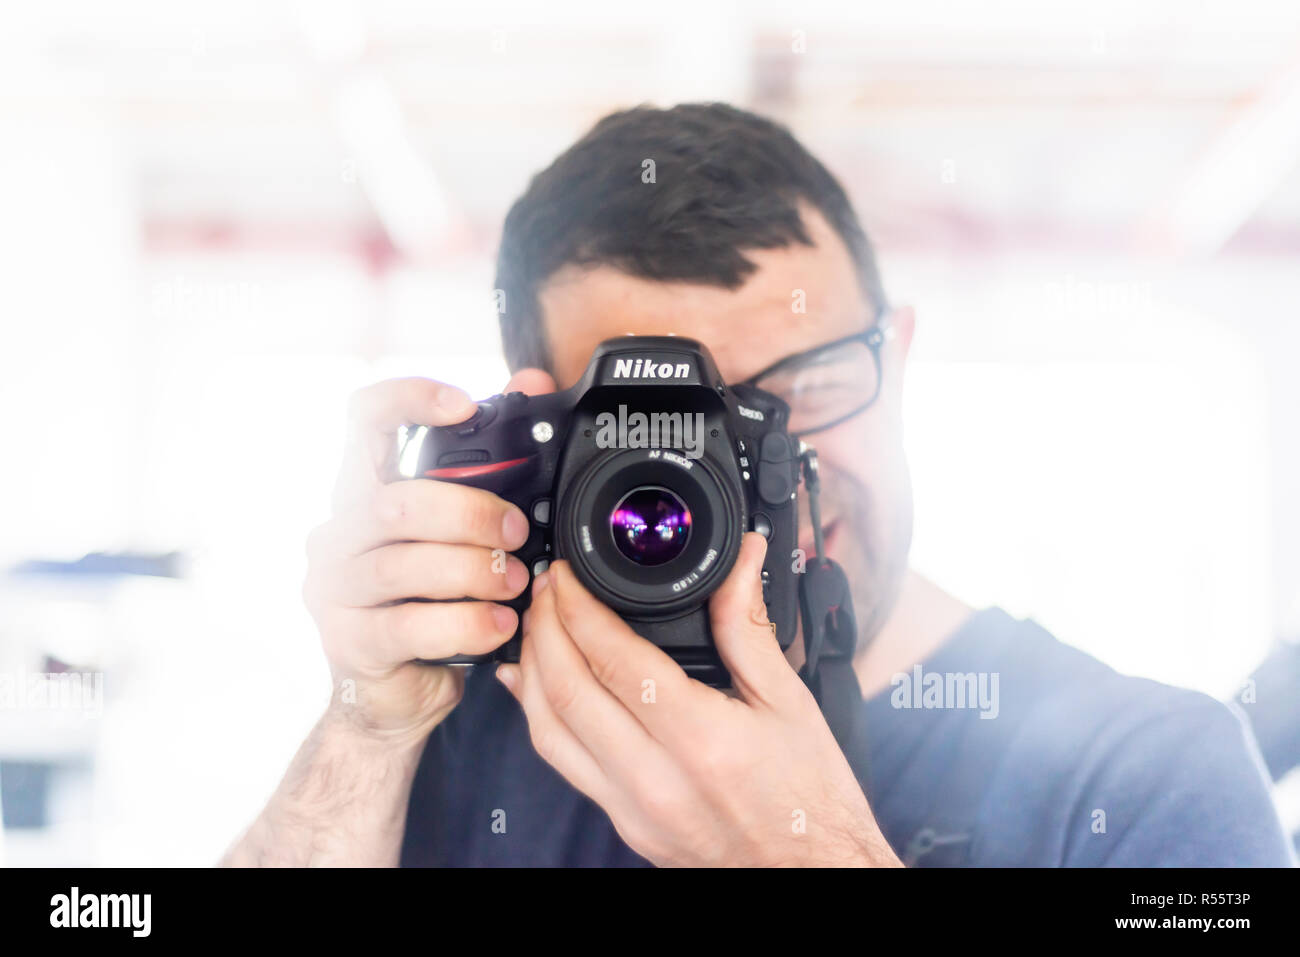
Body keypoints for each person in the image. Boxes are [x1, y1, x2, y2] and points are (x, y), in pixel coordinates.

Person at [223, 103, 1293, 867]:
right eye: (672, 432)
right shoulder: (470, 723)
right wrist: (366, 730)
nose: (762, 475)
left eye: (809, 384)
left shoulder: (1148, 775)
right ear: (551, 429)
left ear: (899, 358)